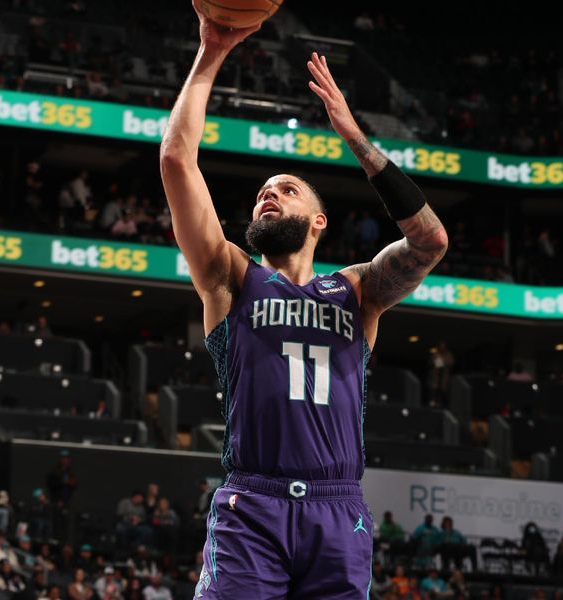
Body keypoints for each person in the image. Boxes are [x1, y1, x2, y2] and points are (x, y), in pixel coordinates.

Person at [159, 6, 448, 597]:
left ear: (318, 220)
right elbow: (175, 162)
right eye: (263, 191)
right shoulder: (231, 278)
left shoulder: (357, 290)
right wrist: (210, 54)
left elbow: (431, 241)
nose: (269, 195)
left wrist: (355, 138)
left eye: (285, 190)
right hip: (252, 505)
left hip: (337, 511)